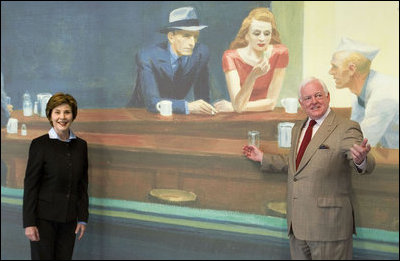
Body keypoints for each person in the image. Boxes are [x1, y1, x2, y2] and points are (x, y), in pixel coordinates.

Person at [243, 77, 375, 260]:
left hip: (329, 229)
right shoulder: (298, 128)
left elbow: (361, 157)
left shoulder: (346, 128)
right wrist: (263, 158)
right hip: (297, 228)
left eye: (318, 95)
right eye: (307, 98)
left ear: (328, 97)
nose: (314, 101)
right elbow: (298, 165)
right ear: (301, 103)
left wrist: (361, 159)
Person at [23, 93, 89, 260]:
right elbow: (31, 186)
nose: (62, 117)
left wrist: (82, 218)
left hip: (69, 221)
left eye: (67, 112)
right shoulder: (39, 144)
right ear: (50, 116)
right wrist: (29, 223)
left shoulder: (81, 146)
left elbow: (82, 185)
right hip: (43, 221)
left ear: (73, 115)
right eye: (57, 112)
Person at [127, 6, 217, 115]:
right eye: (186, 36)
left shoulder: (201, 53)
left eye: (195, 37)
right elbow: (152, 103)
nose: (192, 43)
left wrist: (209, 108)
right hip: (142, 114)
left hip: (178, 116)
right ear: (171, 37)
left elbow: (203, 98)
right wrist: (187, 106)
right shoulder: (148, 56)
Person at [329, 37, 399, 149]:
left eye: (335, 67)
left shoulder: (382, 96)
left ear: (352, 69)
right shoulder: (358, 92)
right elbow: (354, 131)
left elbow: (361, 143)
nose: (330, 72)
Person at [215, 7, 288, 113]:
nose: (262, 39)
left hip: (265, 115)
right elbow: (238, 107)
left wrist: (233, 107)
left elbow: (271, 103)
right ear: (246, 36)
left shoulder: (280, 53)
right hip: (238, 118)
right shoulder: (231, 57)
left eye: (267, 34)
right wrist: (253, 76)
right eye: (257, 33)